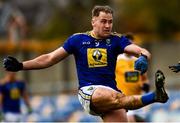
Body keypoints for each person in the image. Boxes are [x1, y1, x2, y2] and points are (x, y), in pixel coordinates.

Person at [3, 5, 169, 122]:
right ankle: (154, 97)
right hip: (89, 91)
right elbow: (49, 58)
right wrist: (21, 65)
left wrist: (143, 57)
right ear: (93, 22)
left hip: (112, 92)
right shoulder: (78, 40)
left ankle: (156, 96)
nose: (108, 25)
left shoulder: (117, 40)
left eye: (110, 21)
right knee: (116, 97)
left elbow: (143, 50)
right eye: (103, 21)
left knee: (117, 99)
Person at [115, 33, 150, 122]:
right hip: (123, 100)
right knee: (130, 119)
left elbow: (144, 79)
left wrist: (145, 86)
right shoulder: (117, 60)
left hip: (137, 99)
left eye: (131, 44)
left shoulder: (138, 61)